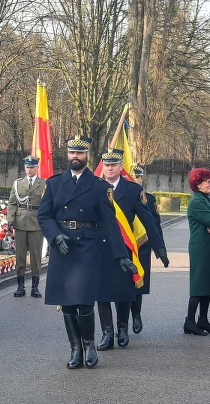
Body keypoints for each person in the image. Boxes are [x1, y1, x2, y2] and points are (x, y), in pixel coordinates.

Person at [37, 136, 133, 369]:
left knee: (84, 302)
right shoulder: (54, 184)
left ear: (87, 156)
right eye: (71, 153)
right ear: (67, 155)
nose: (75, 157)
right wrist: (55, 235)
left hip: (89, 247)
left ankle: (89, 346)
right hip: (63, 246)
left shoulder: (100, 187)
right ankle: (75, 348)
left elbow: (110, 224)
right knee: (67, 303)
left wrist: (121, 255)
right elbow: (44, 215)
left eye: (79, 153)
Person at [95, 149, 165, 348]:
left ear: (120, 167)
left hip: (125, 248)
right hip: (100, 247)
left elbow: (148, 220)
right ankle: (107, 333)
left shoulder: (133, 190)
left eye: (114, 165)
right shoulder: (94, 187)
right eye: (106, 165)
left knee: (123, 290)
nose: (109, 169)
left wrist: (159, 246)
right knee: (101, 292)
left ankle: (122, 327)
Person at [185, 167, 210, 335]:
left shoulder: (206, 199)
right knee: (199, 284)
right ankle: (189, 321)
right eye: (208, 181)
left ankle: (202, 319)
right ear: (198, 184)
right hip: (201, 247)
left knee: (207, 284)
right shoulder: (197, 201)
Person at [130, 167, 167, 334]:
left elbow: (154, 225)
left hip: (142, 246)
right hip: (122, 245)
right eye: (132, 176)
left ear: (142, 179)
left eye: (137, 176)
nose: (135, 179)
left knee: (139, 282)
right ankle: (121, 323)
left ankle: (136, 314)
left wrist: (160, 248)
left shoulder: (148, 199)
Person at [8, 156, 46, 298]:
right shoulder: (18, 184)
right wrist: (10, 219)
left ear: (37, 168)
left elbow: (47, 204)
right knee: (20, 256)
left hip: (36, 223)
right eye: (27, 167)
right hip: (20, 222)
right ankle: (20, 286)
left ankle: (35, 287)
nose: (29, 170)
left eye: (32, 167)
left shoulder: (43, 184)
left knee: (36, 257)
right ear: (25, 168)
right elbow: (12, 203)